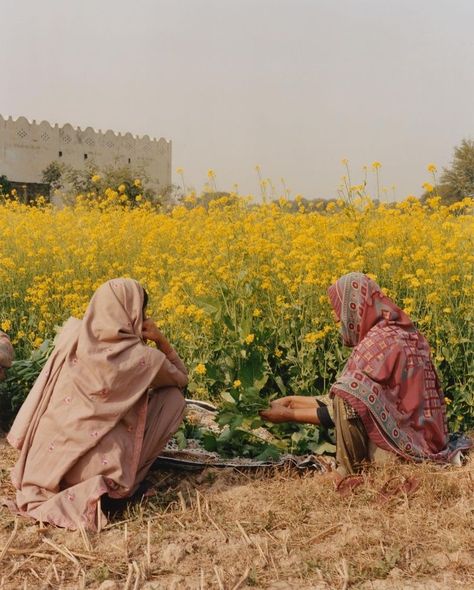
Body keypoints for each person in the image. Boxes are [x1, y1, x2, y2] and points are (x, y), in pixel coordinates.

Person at [6, 278, 187, 530]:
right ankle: (122, 484)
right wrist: (161, 341)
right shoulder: (144, 359)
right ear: (133, 313)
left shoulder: (72, 335)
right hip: (99, 474)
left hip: (45, 467)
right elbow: (181, 378)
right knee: (173, 399)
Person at [260, 272, 471, 484]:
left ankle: (347, 471)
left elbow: (351, 404)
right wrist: (291, 401)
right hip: (423, 441)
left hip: (401, 454)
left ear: (354, 308)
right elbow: (369, 401)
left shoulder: (378, 343)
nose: (336, 318)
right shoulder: (403, 332)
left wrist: (289, 415)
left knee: (349, 392)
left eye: (338, 310)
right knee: (350, 392)